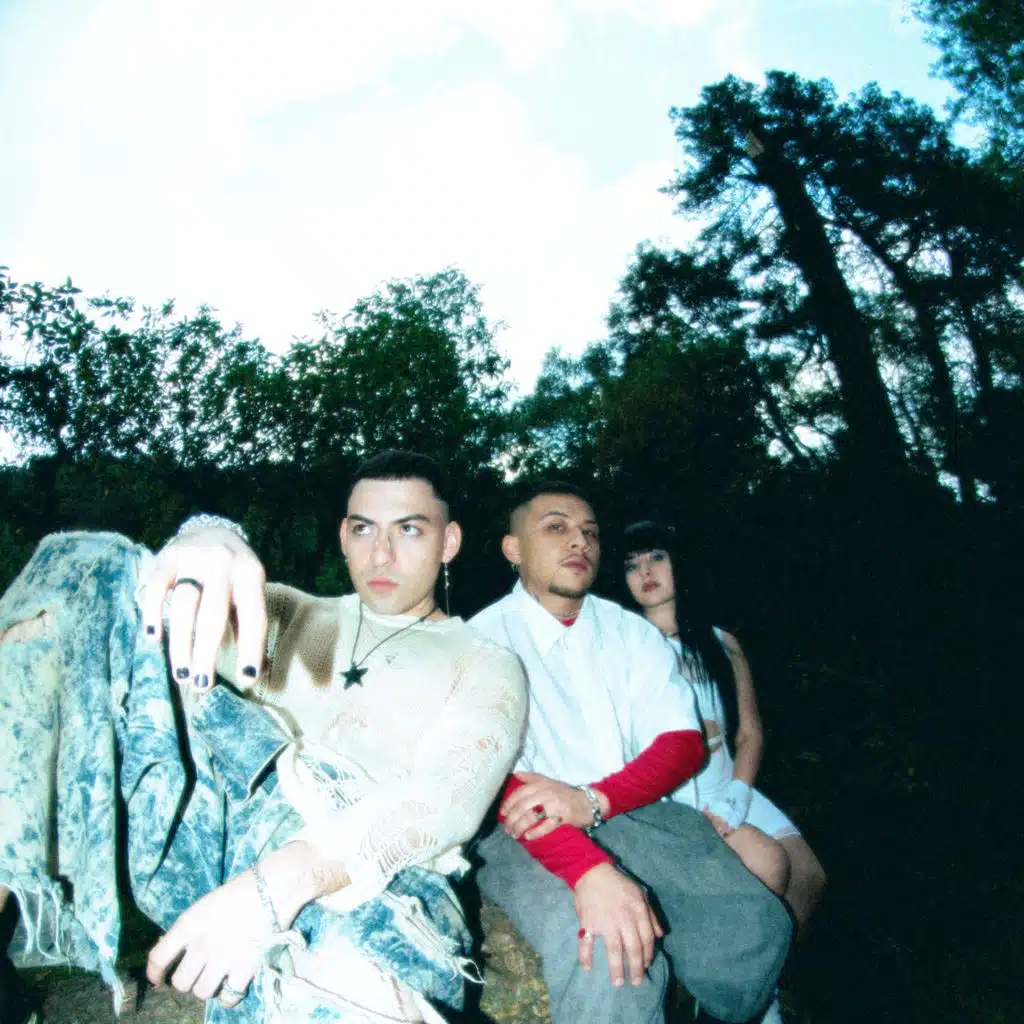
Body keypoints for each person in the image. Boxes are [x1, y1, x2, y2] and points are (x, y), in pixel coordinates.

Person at [0, 450, 527, 1024]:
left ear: (449, 542)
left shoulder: (484, 660)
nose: (382, 553)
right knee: (87, 568)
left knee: (351, 977)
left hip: (372, 879)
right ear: (343, 537)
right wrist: (210, 534)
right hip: (216, 837)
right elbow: (139, 599)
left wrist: (278, 884)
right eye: (363, 529)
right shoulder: (291, 618)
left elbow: (445, 798)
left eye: (409, 529)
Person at [467, 482, 794, 1024]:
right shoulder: (479, 641)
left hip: (631, 808)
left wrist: (593, 800)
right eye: (556, 527)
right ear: (513, 548)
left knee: (757, 925)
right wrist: (587, 868)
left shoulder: (629, 631)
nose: (580, 542)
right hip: (526, 830)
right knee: (612, 958)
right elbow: (492, 777)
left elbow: (682, 744)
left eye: (590, 533)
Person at [621, 520, 826, 933]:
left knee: (810, 877)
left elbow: (749, 733)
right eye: (631, 564)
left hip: (728, 787)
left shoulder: (721, 643)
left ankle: (772, 969)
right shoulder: (624, 646)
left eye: (656, 557)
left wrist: (736, 795)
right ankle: (737, 966)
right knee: (768, 867)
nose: (645, 571)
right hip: (677, 798)